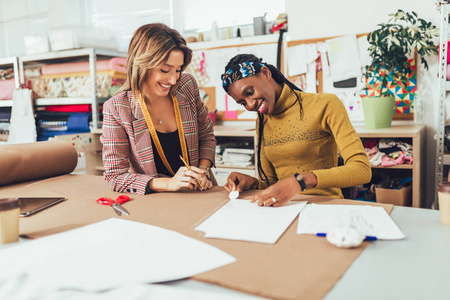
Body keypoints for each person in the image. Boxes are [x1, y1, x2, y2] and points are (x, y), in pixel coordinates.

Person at [221, 54, 371, 207]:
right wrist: (253, 184)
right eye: (242, 103)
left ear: (266, 74)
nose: (250, 105)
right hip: (284, 210)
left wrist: (301, 181)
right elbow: (272, 184)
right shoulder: (262, 121)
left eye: (250, 92)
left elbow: (362, 169)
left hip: (324, 207)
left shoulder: (323, 104)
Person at [101, 23, 216, 195]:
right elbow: (115, 176)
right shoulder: (117, 108)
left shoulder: (186, 85)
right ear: (142, 64)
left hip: (200, 192)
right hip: (157, 200)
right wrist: (168, 183)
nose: (173, 80)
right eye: (165, 70)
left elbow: (206, 136)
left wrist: (202, 171)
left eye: (178, 70)